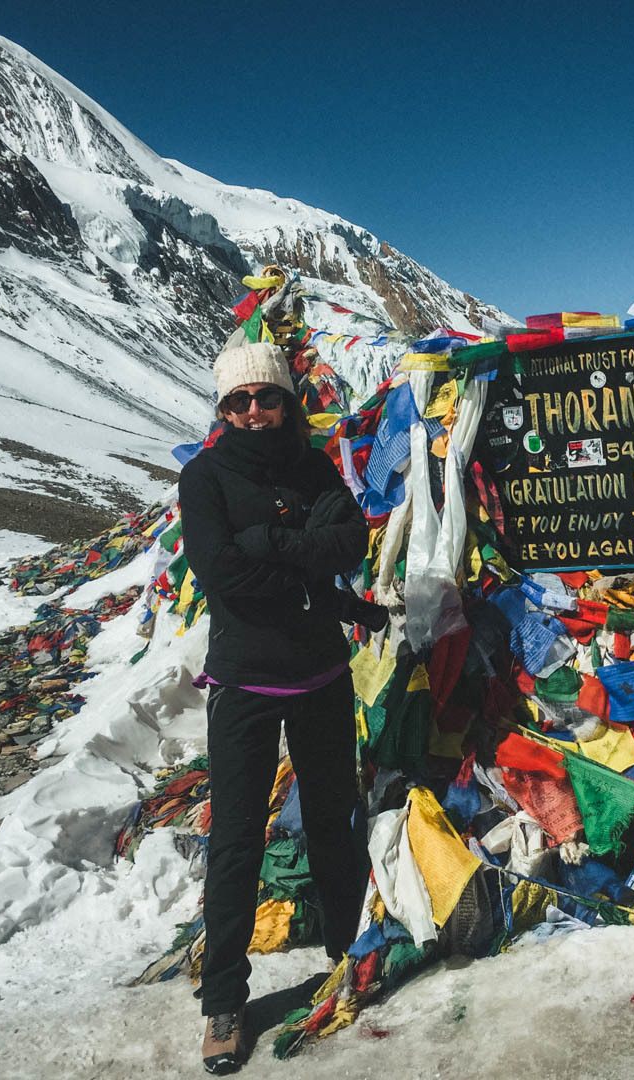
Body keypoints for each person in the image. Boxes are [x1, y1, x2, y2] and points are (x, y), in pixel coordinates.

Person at [178, 342, 370, 1074]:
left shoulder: (315, 468)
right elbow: (220, 572)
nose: (255, 412)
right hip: (245, 681)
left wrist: (268, 540)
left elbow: (349, 539)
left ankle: (349, 948)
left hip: (321, 672)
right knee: (235, 838)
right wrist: (303, 562)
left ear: (288, 401)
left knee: (332, 816)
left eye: (267, 398)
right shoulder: (205, 479)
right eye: (240, 401)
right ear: (223, 410)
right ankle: (224, 999)